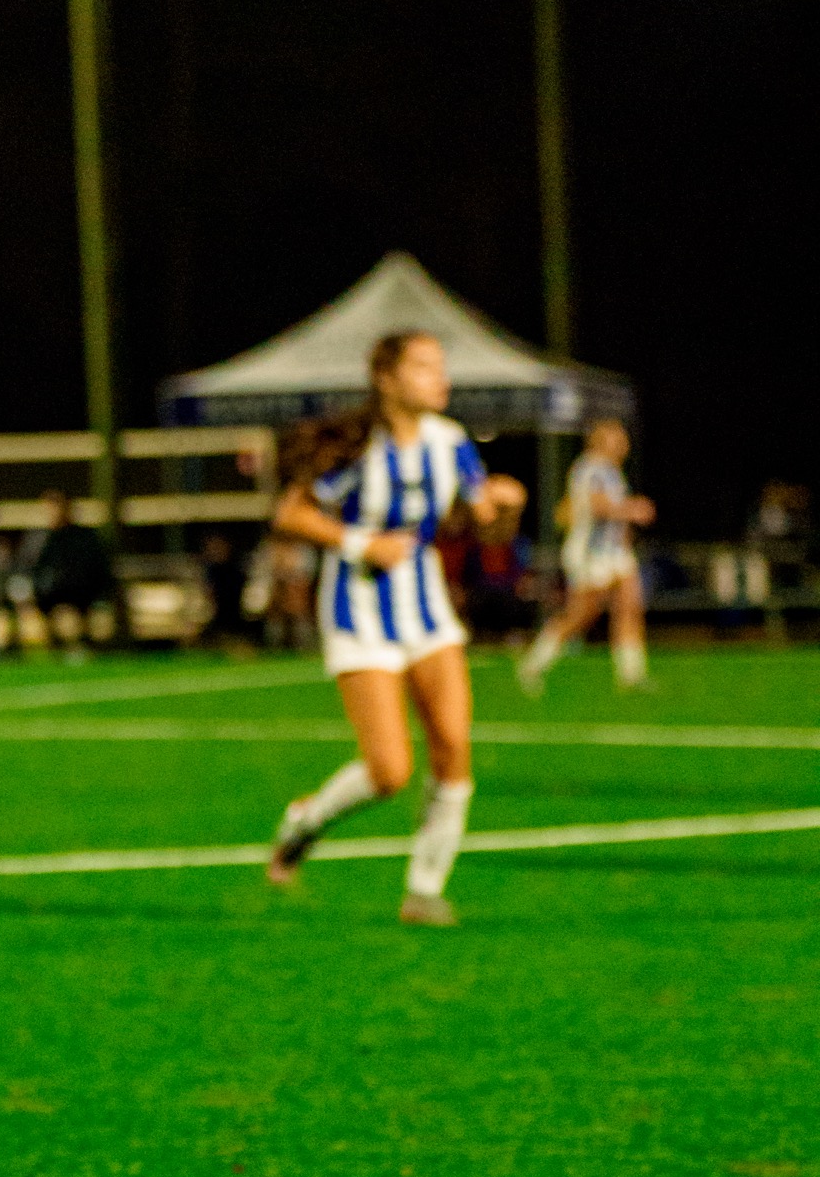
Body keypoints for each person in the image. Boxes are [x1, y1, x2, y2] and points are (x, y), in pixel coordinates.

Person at [263, 330, 526, 926]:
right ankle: (305, 822)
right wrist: (363, 542)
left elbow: (485, 530)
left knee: (454, 748)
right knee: (389, 771)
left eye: (441, 366)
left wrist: (507, 507)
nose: (442, 378)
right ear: (387, 379)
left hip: (428, 609)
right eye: (426, 367)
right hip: (358, 608)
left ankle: (424, 891)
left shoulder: (450, 441)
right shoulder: (361, 447)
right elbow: (292, 512)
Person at [517, 416, 654, 691]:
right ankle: (534, 662)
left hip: (612, 552)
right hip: (590, 552)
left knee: (630, 605)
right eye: (618, 437)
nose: (624, 443)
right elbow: (599, 507)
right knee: (581, 614)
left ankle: (631, 674)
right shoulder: (590, 468)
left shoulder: (611, 471)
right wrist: (633, 509)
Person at [27, 491, 116, 658]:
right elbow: (32, 570)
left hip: (81, 595)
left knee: (73, 618)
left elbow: (96, 570)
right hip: (50, 597)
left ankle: (81, 649)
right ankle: (51, 653)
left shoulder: (82, 537)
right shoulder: (41, 539)